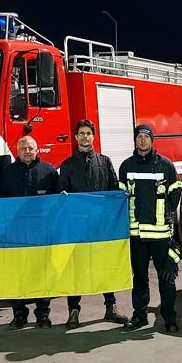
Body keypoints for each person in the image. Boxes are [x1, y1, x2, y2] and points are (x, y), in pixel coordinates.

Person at [58, 119, 129, 328]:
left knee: (105, 266)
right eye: (81, 133)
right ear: (75, 137)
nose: (85, 137)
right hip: (77, 227)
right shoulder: (68, 165)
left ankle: (111, 307)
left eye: (88, 133)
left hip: (101, 227)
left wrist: (121, 196)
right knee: (75, 269)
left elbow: (115, 189)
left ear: (94, 136)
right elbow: (61, 194)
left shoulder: (105, 162)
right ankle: (73, 311)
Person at [118, 124, 182, 332]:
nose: (143, 140)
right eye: (139, 137)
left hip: (160, 234)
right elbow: (120, 199)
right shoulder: (126, 167)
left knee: (166, 277)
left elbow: (175, 194)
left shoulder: (165, 165)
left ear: (152, 140)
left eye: (146, 137)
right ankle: (140, 316)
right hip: (136, 236)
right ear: (135, 140)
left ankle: (169, 317)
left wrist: (165, 216)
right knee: (139, 278)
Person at [0, 135, 60, 329]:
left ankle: (43, 314)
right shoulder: (7, 173)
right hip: (15, 234)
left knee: (42, 274)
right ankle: (19, 314)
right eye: (23, 148)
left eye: (30, 148)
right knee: (18, 275)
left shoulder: (49, 172)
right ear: (17, 151)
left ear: (37, 150)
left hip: (41, 234)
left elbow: (58, 201)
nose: (27, 151)